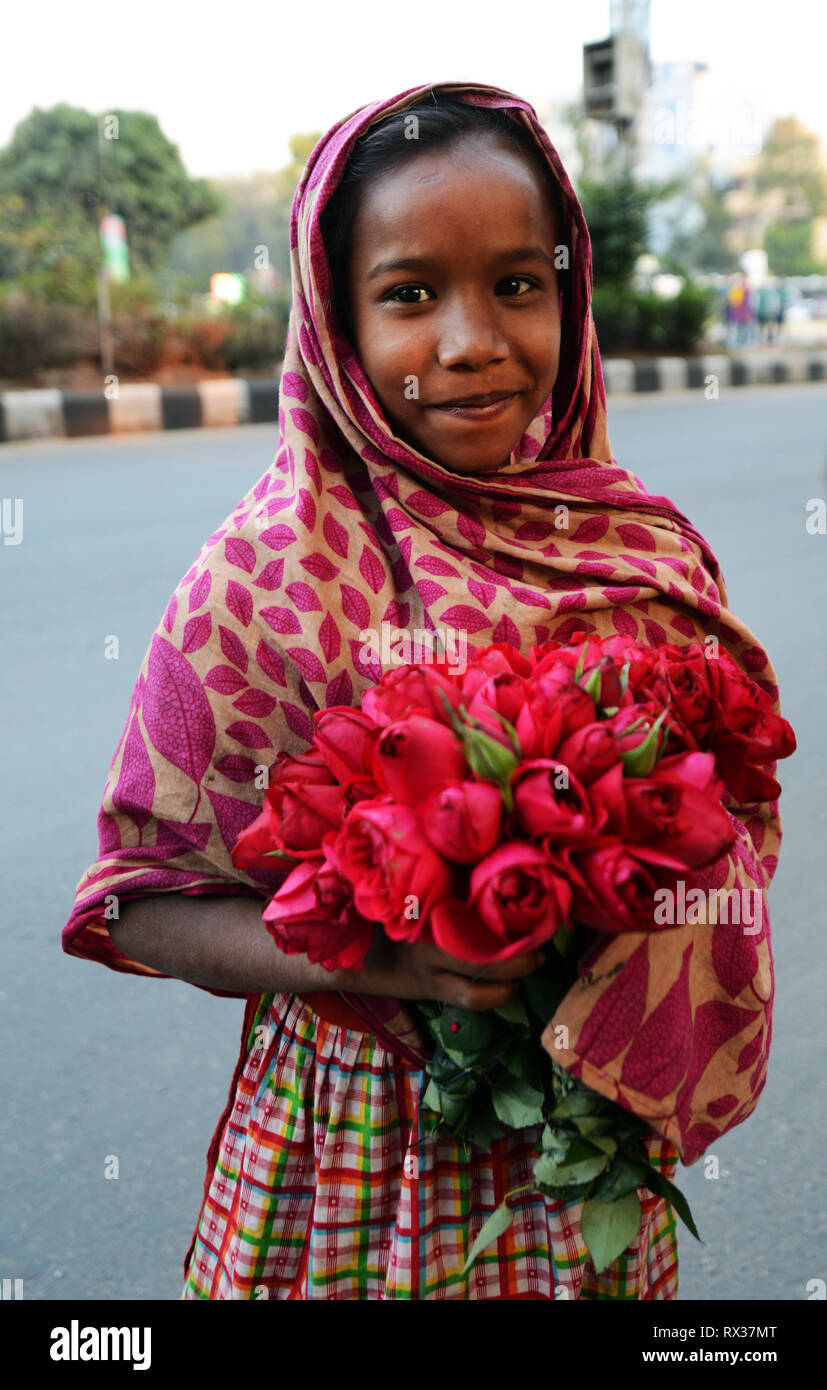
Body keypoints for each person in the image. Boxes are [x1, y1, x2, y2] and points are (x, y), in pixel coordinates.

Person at [62, 81, 787, 1301]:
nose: (470, 341)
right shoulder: (261, 581)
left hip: (584, 1172)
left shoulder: (637, 550)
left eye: (517, 283)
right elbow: (140, 903)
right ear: (335, 320)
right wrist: (394, 966)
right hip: (346, 1168)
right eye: (408, 294)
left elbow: (730, 811)